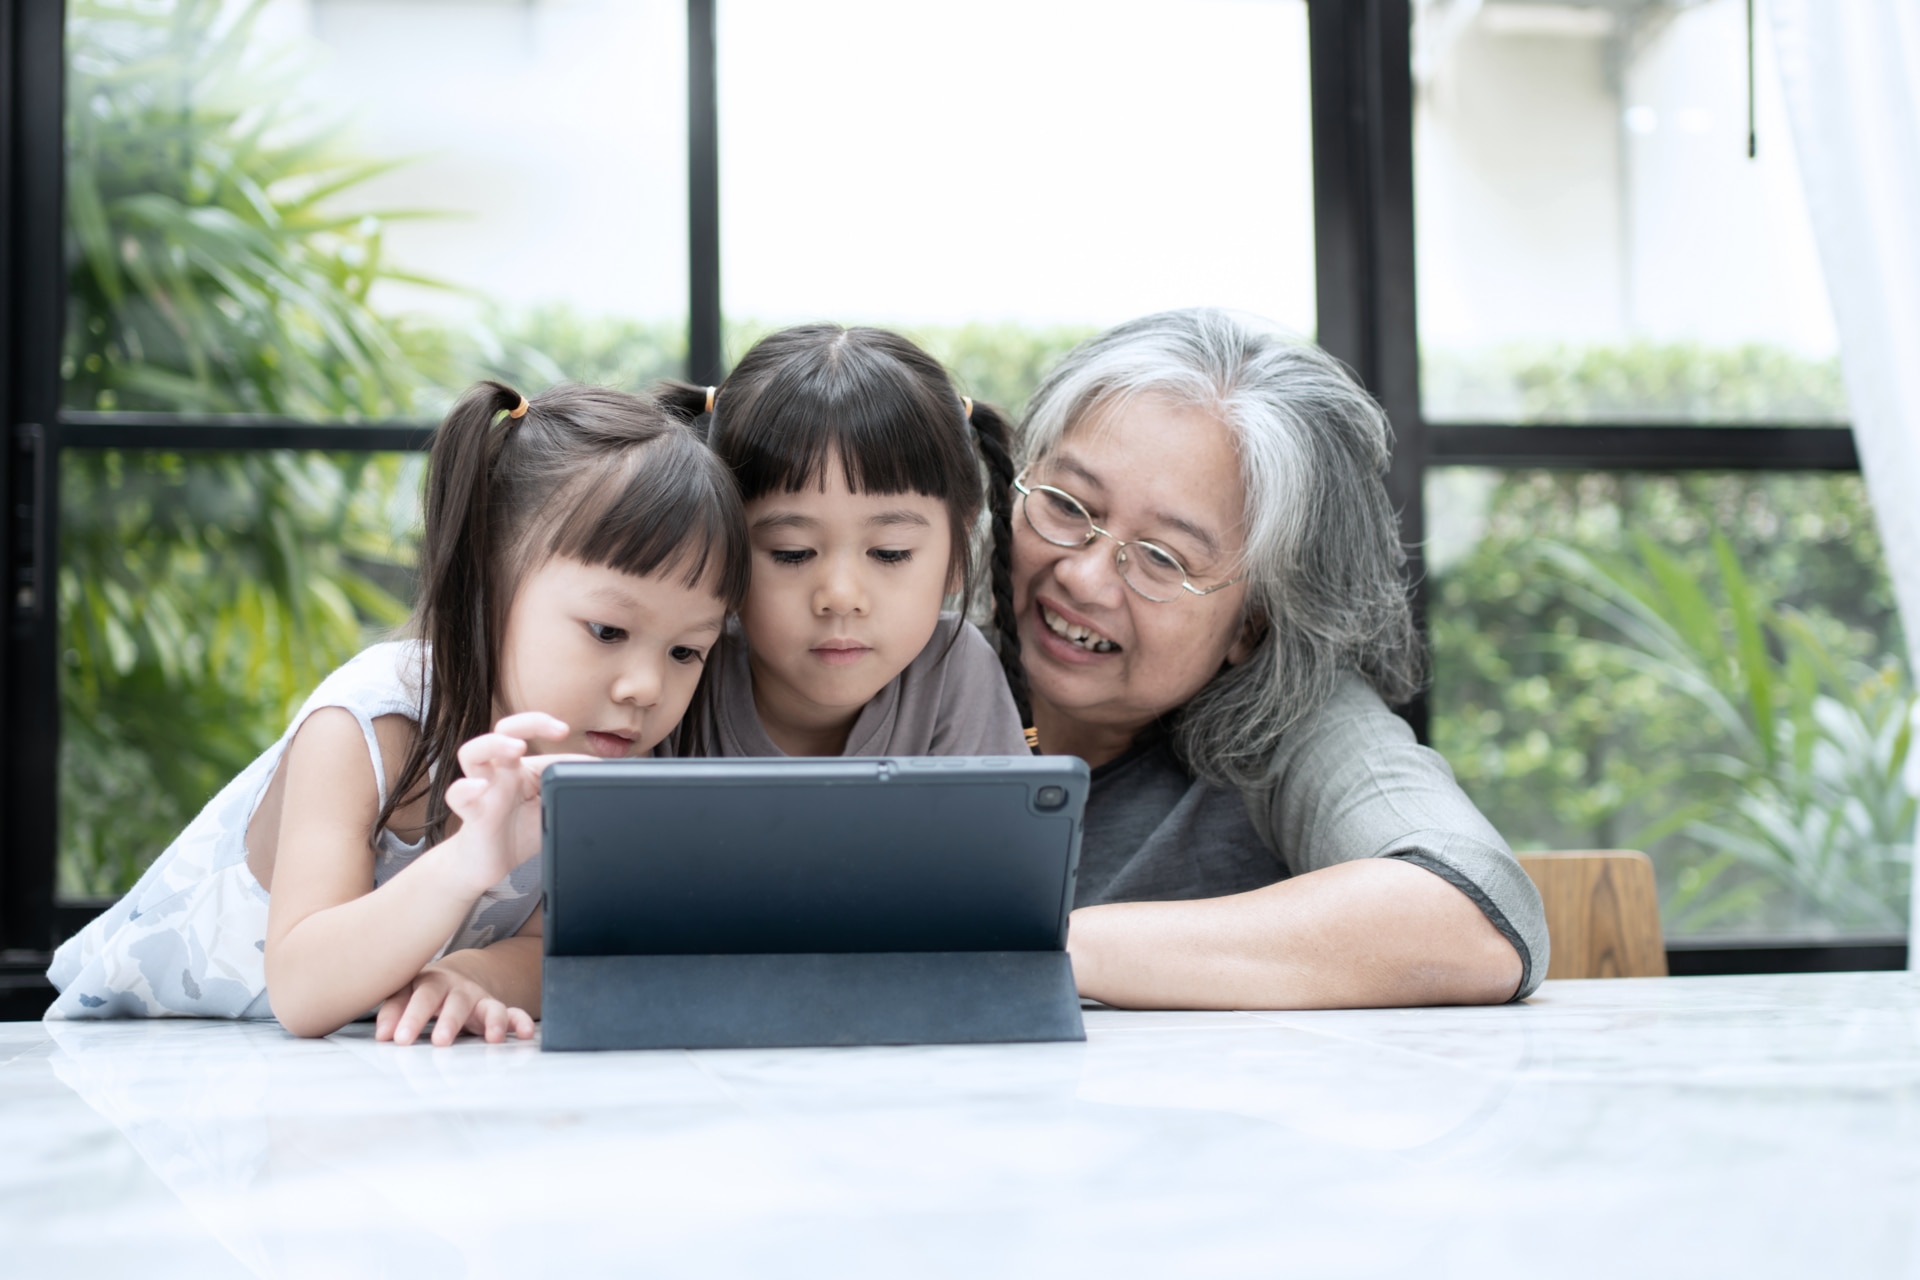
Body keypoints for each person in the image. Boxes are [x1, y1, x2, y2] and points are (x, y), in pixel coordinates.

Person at [46, 382, 750, 1042]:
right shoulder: (371, 723)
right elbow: (302, 988)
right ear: (486, 584)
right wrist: (472, 859)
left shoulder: (610, 753)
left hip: (336, 1074)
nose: (645, 687)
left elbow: (546, 946)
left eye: (687, 652)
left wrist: (470, 975)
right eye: (608, 632)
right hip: (139, 1056)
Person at [1010, 309, 1548, 1009]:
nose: (1082, 578)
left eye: (1163, 557)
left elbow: (1473, 916)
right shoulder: (908, 650)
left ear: (1254, 619)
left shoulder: (1293, 725)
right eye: (1066, 504)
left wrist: (1043, 945)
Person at [655, 325, 1028, 759]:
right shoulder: (675, 666)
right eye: (791, 553)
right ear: (723, 547)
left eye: (890, 552)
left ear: (956, 555)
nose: (840, 596)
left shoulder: (955, 672)